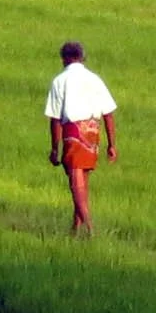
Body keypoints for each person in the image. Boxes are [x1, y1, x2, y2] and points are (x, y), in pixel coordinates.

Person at [44, 40, 118, 236]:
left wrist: (55, 148)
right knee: (83, 181)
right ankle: (75, 229)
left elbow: (55, 118)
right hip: (93, 131)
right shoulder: (95, 79)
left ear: (65, 58)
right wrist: (112, 145)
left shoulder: (60, 80)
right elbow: (108, 114)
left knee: (75, 182)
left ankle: (88, 227)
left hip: (74, 132)